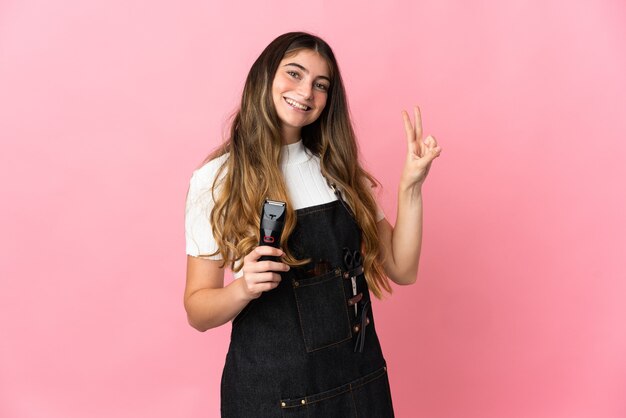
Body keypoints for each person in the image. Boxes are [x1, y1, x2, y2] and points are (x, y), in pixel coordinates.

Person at [184, 31, 441, 417]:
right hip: (274, 397)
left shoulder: (339, 173)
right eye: (294, 74)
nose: (306, 92)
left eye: (321, 85)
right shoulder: (217, 180)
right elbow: (197, 310)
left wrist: (411, 187)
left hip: (359, 385)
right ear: (265, 76)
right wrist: (243, 289)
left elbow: (402, 269)